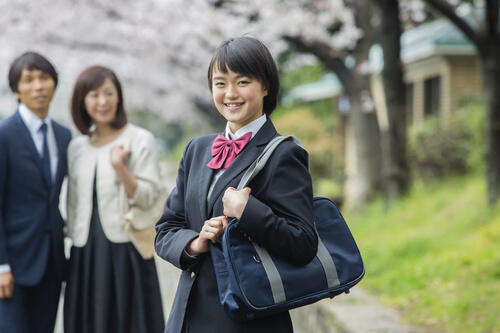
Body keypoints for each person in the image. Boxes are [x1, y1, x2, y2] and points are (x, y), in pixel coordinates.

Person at [155, 36, 318, 333]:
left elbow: (303, 243)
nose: (230, 93)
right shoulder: (197, 150)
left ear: (266, 86)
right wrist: (196, 242)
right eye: (220, 83)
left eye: (242, 82)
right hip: (188, 318)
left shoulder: (284, 153)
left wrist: (248, 211)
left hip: (248, 320)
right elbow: (166, 228)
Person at [64, 65, 165, 333]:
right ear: (82, 102)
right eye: (94, 95)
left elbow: (149, 198)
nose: (102, 102)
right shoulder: (76, 148)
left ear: (118, 97)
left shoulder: (139, 139)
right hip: (84, 252)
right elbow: (72, 204)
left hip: (126, 250)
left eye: (109, 93)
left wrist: (121, 168)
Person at [0, 52, 72, 332]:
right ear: (16, 90)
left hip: (51, 264)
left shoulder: (63, 136)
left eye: (44, 78)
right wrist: (1, 266)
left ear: (54, 83)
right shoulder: (4, 135)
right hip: (12, 267)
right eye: (28, 80)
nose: (38, 86)